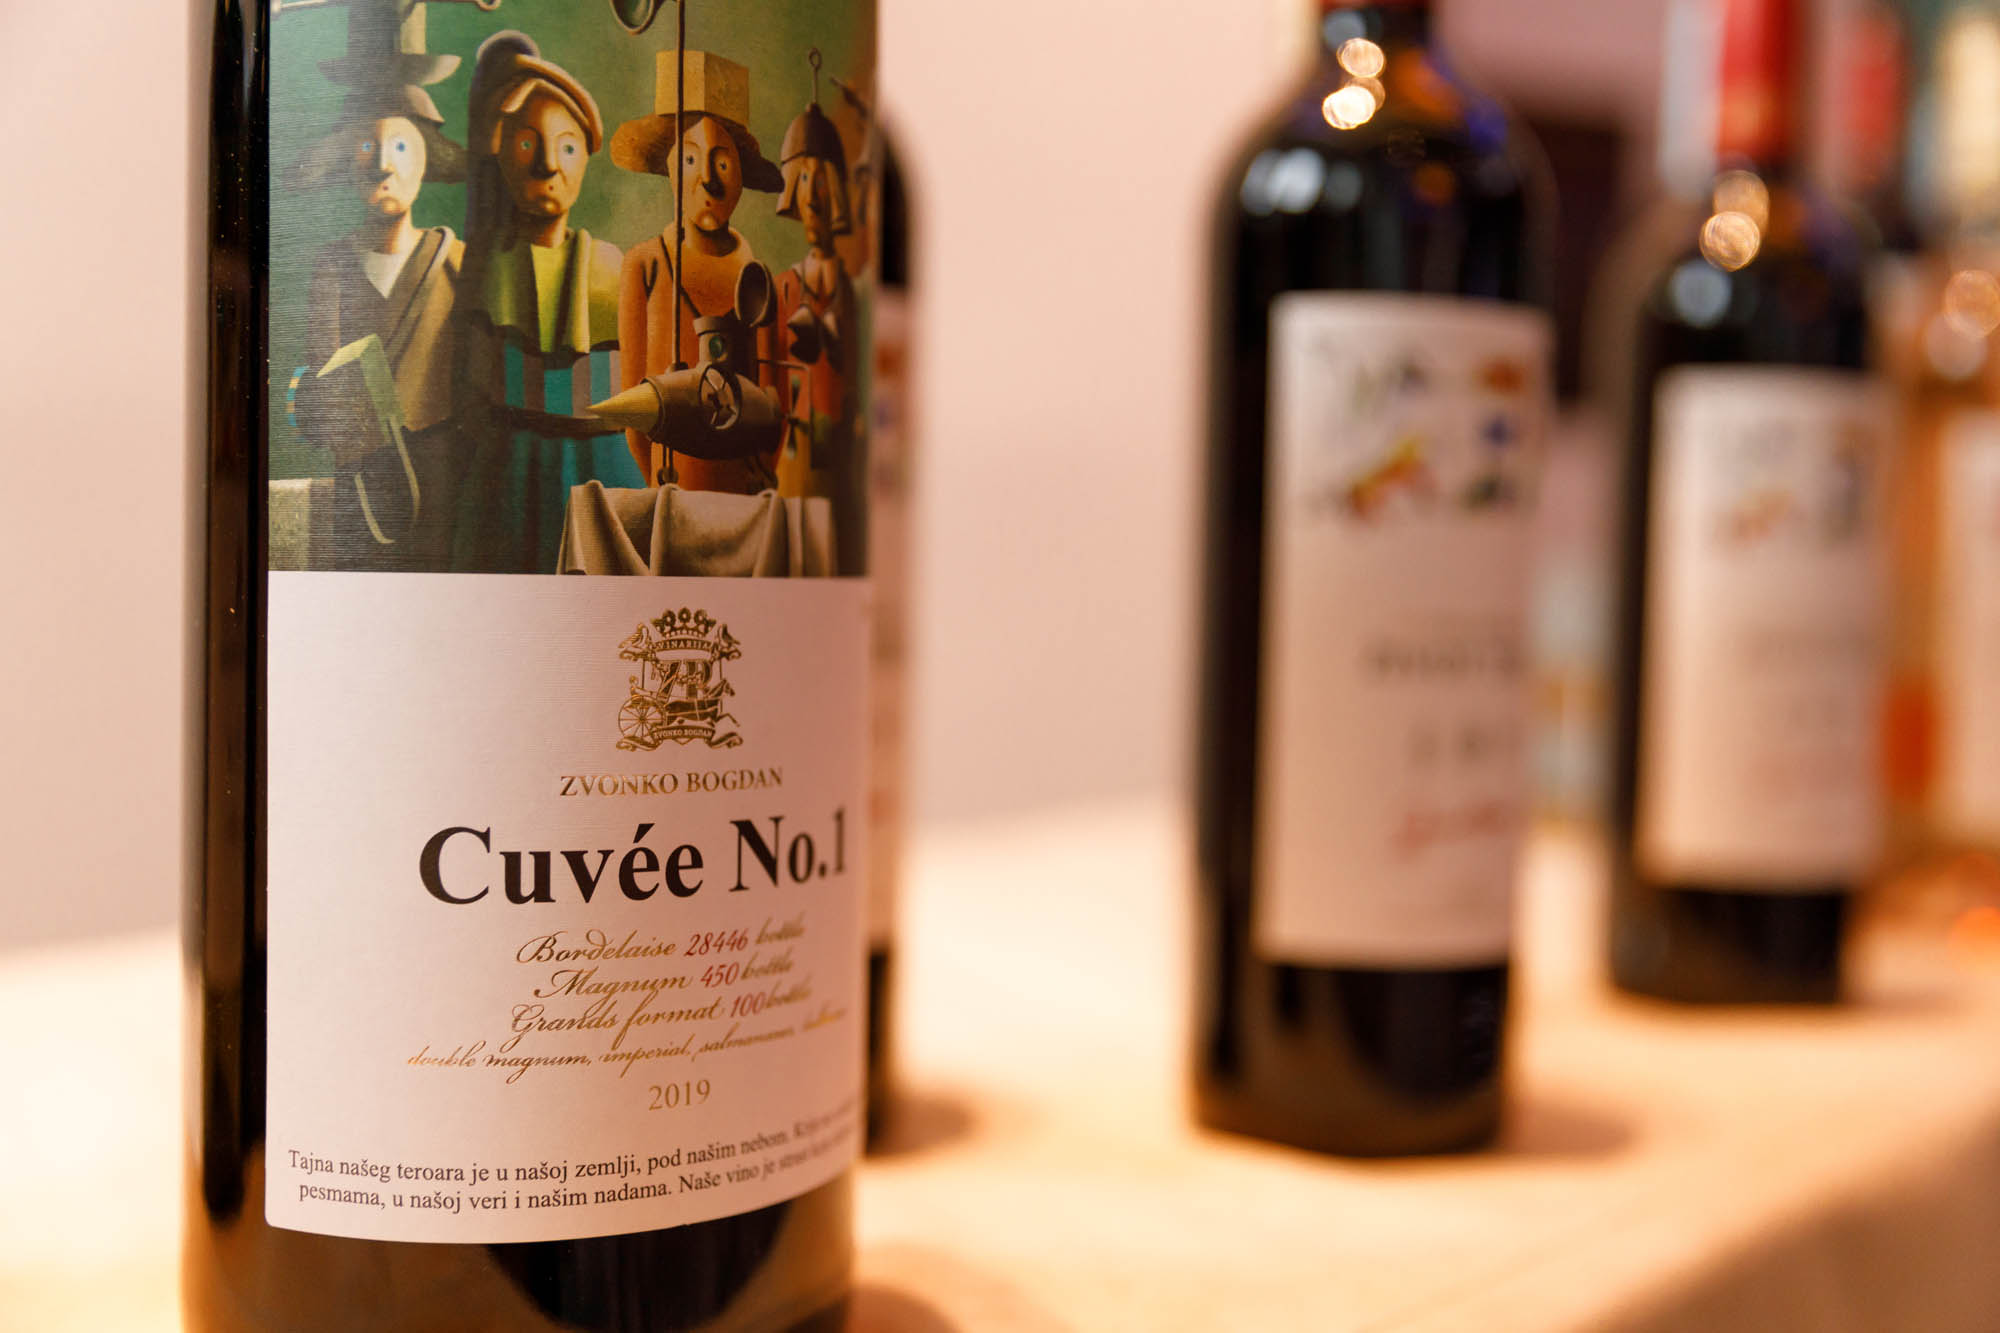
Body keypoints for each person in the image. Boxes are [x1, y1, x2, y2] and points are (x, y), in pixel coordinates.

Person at [452, 31, 642, 574]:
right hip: (508, 476)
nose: (548, 167)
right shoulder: (485, 267)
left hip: (600, 469)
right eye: (527, 145)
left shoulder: (612, 266)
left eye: (567, 147)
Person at [287, 0, 466, 570]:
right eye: (366, 146)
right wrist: (314, 402)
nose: (383, 164)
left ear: (425, 160)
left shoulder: (455, 259)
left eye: (401, 146)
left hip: (443, 475)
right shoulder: (333, 266)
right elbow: (315, 383)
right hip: (359, 481)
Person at [610, 50, 785, 493]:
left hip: (742, 491)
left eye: (722, 163)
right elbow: (633, 405)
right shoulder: (646, 265)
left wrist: (758, 477)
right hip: (670, 485)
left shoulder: (756, 278)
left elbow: (774, 403)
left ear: (741, 174)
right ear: (670, 170)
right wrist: (658, 484)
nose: (707, 180)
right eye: (690, 160)